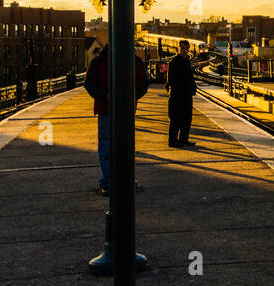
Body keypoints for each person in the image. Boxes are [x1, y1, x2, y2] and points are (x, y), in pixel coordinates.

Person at [84, 42, 150, 196]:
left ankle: (108, 182)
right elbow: (144, 83)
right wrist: (132, 97)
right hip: (123, 111)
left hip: (106, 110)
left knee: (106, 147)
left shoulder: (98, 62)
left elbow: (89, 84)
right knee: (124, 146)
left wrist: (104, 95)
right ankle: (122, 179)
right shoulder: (135, 61)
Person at [165, 39, 197, 147]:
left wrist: (193, 87)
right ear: (178, 49)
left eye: (187, 49)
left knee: (187, 119)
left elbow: (190, 77)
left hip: (187, 95)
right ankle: (173, 141)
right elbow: (171, 80)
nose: (185, 51)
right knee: (176, 119)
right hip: (177, 95)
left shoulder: (187, 61)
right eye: (182, 48)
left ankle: (184, 139)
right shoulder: (173, 62)